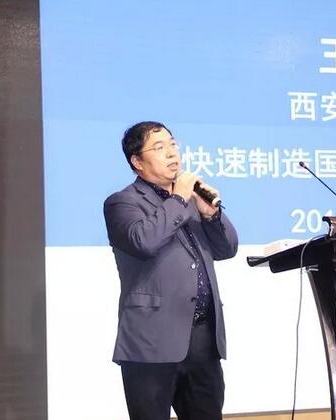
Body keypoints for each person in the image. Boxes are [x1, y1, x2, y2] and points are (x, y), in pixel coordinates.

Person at [103, 121, 239, 420]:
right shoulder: (122, 203)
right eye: (159, 147)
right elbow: (143, 241)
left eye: (173, 144)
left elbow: (227, 249)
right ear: (137, 162)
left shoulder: (191, 201)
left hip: (202, 339)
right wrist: (178, 199)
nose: (171, 152)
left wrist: (212, 215)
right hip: (151, 341)